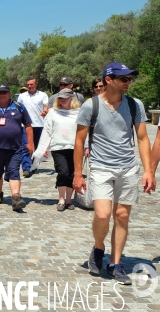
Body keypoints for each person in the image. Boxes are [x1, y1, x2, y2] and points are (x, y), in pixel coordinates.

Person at [73, 62, 155, 284]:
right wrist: (78, 174)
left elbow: (142, 138)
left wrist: (149, 171)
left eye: (130, 79)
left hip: (128, 168)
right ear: (109, 80)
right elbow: (79, 141)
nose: (129, 83)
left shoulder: (134, 104)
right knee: (102, 214)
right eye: (124, 79)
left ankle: (115, 264)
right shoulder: (91, 106)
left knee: (122, 216)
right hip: (100, 167)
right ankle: (99, 247)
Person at [0, 84, 33, 211]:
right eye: (0, 92)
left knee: (14, 171)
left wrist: (30, 143)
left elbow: (28, 125)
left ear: (9, 93)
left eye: (5, 92)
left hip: (15, 147)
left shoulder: (19, 107)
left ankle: (16, 198)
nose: (2, 95)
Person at [38, 88, 81, 211]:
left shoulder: (78, 113)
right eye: (60, 98)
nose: (62, 100)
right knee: (63, 172)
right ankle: (61, 199)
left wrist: (86, 146)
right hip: (58, 147)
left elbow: (84, 131)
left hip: (75, 147)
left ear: (71, 99)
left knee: (72, 174)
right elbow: (47, 130)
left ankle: (68, 200)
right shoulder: (53, 112)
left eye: (65, 98)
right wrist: (44, 147)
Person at [17, 77, 49, 177]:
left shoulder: (43, 95)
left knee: (38, 147)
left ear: (36, 84)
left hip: (39, 124)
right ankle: (26, 167)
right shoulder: (22, 96)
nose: (29, 86)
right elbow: (18, 109)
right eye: (28, 85)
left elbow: (46, 107)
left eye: (31, 84)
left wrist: (45, 111)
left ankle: (34, 165)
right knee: (26, 146)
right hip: (25, 125)